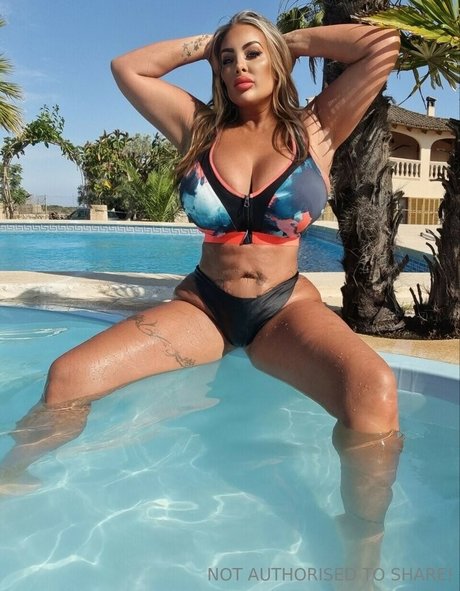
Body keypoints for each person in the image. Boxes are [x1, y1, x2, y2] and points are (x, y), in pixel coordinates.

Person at [2, 10, 403, 583]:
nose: (239, 66)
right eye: (228, 59)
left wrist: (286, 42)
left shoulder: (316, 128)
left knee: (374, 391)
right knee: (68, 376)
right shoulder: (200, 130)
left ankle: (362, 541)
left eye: (252, 54)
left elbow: (381, 46)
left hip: (283, 309)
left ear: (275, 62)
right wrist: (209, 43)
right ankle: (12, 477)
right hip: (206, 307)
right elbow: (128, 67)